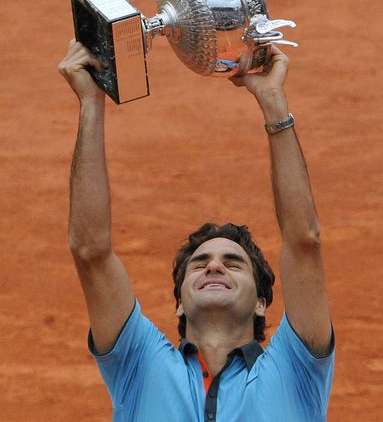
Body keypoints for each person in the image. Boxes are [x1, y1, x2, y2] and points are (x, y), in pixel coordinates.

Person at [58, 40, 334, 421]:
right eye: (200, 263)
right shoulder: (139, 363)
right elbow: (90, 251)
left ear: (261, 303)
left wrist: (274, 103)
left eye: (233, 263)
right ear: (178, 303)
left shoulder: (296, 366)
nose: (214, 267)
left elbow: (304, 241)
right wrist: (91, 103)